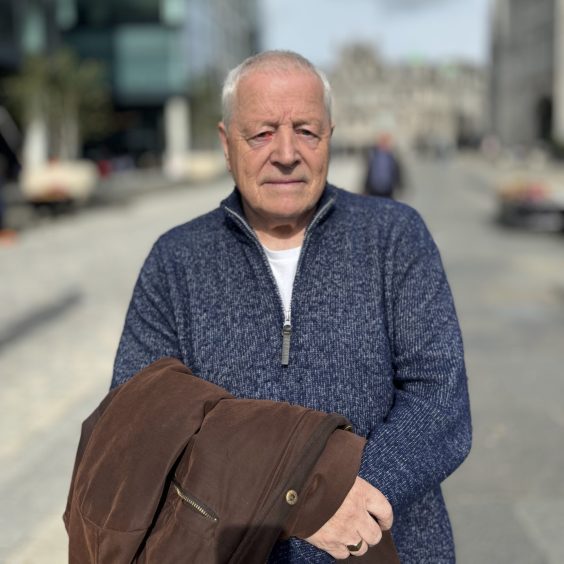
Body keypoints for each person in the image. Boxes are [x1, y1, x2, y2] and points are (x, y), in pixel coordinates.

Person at [112, 50, 471, 563]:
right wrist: (302, 504)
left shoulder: (395, 237)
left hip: (387, 544)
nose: (286, 152)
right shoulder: (176, 260)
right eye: (261, 133)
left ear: (330, 135)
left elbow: (440, 399)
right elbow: (140, 418)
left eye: (306, 130)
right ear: (225, 142)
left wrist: (356, 500)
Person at [363, 133, 404, 199]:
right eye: (383, 141)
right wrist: (365, 188)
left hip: (388, 189)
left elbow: (398, 171)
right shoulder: (373, 155)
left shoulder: (392, 156)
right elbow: (368, 173)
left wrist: (400, 185)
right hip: (374, 189)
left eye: (386, 141)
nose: (384, 143)